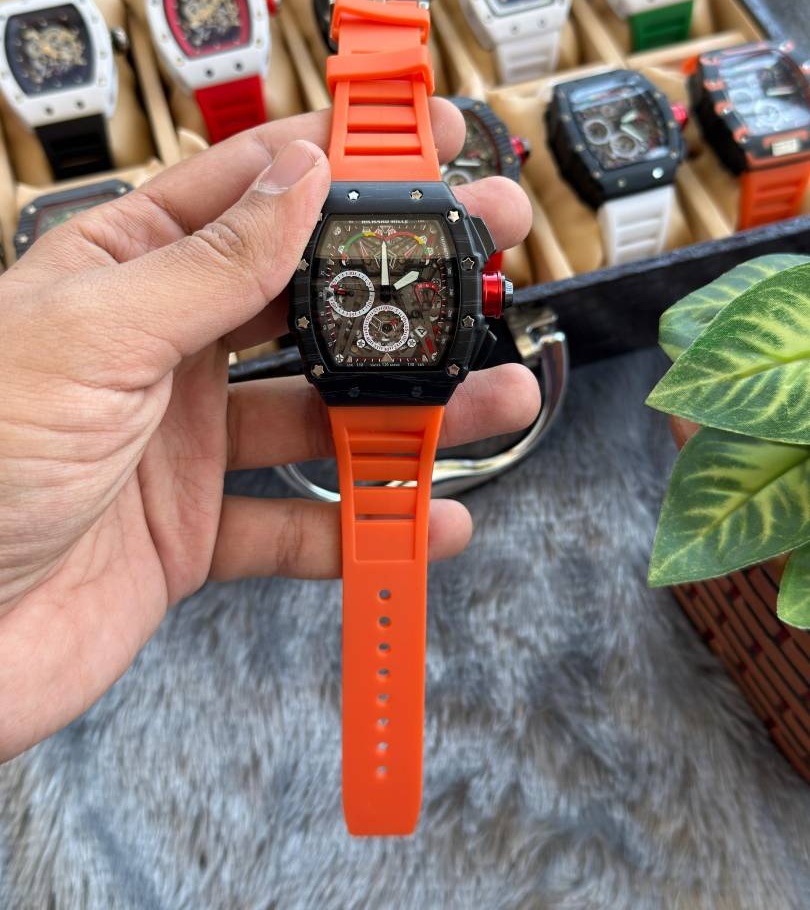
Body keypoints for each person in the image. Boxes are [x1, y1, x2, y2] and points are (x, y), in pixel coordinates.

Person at [0, 101, 539, 763]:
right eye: (357, 289)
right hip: (365, 382)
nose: (385, 295)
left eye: (408, 287)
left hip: (390, 380)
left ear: (481, 295)